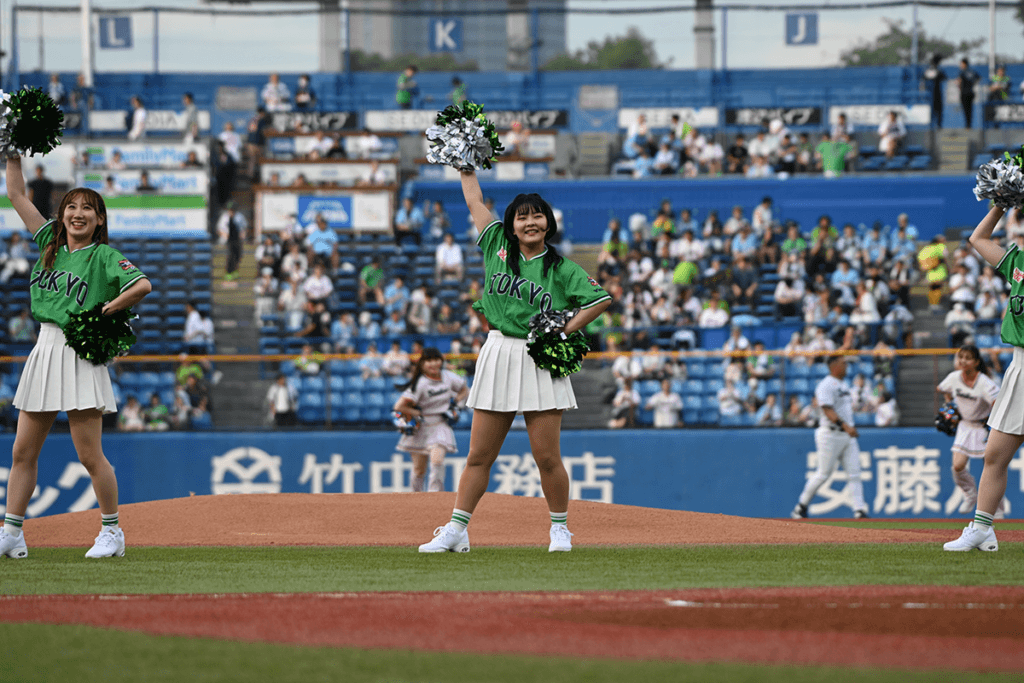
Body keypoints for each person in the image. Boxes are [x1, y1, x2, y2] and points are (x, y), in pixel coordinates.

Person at [418, 169, 612, 554]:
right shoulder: (495, 245)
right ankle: (457, 530)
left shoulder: (561, 268)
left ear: (548, 223)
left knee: (546, 456)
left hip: (540, 356)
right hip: (499, 349)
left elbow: (600, 300)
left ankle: (559, 529)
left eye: (537, 215)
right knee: (479, 455)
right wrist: (466, 168)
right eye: (522, 216)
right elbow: (474, 200)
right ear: (510, 224)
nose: (530, 222)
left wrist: (562, 331)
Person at [0, 154, 152, 561]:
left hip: (79, 352)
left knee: (89, 454)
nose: (78, 213)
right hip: (45, 347)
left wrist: (107, 310)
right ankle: (12, 532)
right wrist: (11, 151)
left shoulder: (103, 256)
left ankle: (112, 531)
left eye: (88, 208)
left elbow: (142, 285)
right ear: (62, 214)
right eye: (72, 206)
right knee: (21, 452)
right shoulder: (49, 242)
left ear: (100, 219)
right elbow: (15, 193)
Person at [943, 205, 1024, 550]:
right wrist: (999, 204)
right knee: (995, 454)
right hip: (1021, 366)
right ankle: (982, 527)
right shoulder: (1019, 262)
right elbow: (979, 238)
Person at [790, 355, 870, 521]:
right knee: (823, 473)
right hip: (830, 434)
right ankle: (801, 506)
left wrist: (848, 427)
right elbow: (827, 410)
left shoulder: (843, 384)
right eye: (843, 363)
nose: (846, 366)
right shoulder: (825, 385)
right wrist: (846, 426)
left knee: (855, 473)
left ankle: (859, 510)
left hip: (846, 436)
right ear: (834, 366)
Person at [393, 348, 469, 493]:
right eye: (429, 360)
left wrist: (455, 403)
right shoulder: (420, 384)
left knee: (437, 460)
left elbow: (464, 389)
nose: (433, 363)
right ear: (422, 364)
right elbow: (399, 406)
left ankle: (435, 497)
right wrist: (417, 412)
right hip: (420, 426)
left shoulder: (448, 377)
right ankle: (416, 497)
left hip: (440, 424)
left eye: (436, 359)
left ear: (441, 360)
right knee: (419, 470)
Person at [922, 54, 947, 128]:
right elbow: (944, 77)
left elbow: (924, 77)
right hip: (935, 93)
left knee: (935, 110)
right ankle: (937, 125)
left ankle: (935, 125)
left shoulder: (929, 70)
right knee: (937, 110)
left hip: (932, 93)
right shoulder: (937, 71)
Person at [957, 58, 979, 128]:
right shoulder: (972, 71)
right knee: (970, 110)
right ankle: (969, 125)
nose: (960, 65)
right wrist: (972, 84)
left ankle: (967, 126)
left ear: (964, 64)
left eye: (961, 64)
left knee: (966, 110)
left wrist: (959, 86)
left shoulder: (962, 72)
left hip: (964, 93)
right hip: (970, 92)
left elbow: (959, 82)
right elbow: (978, 78)